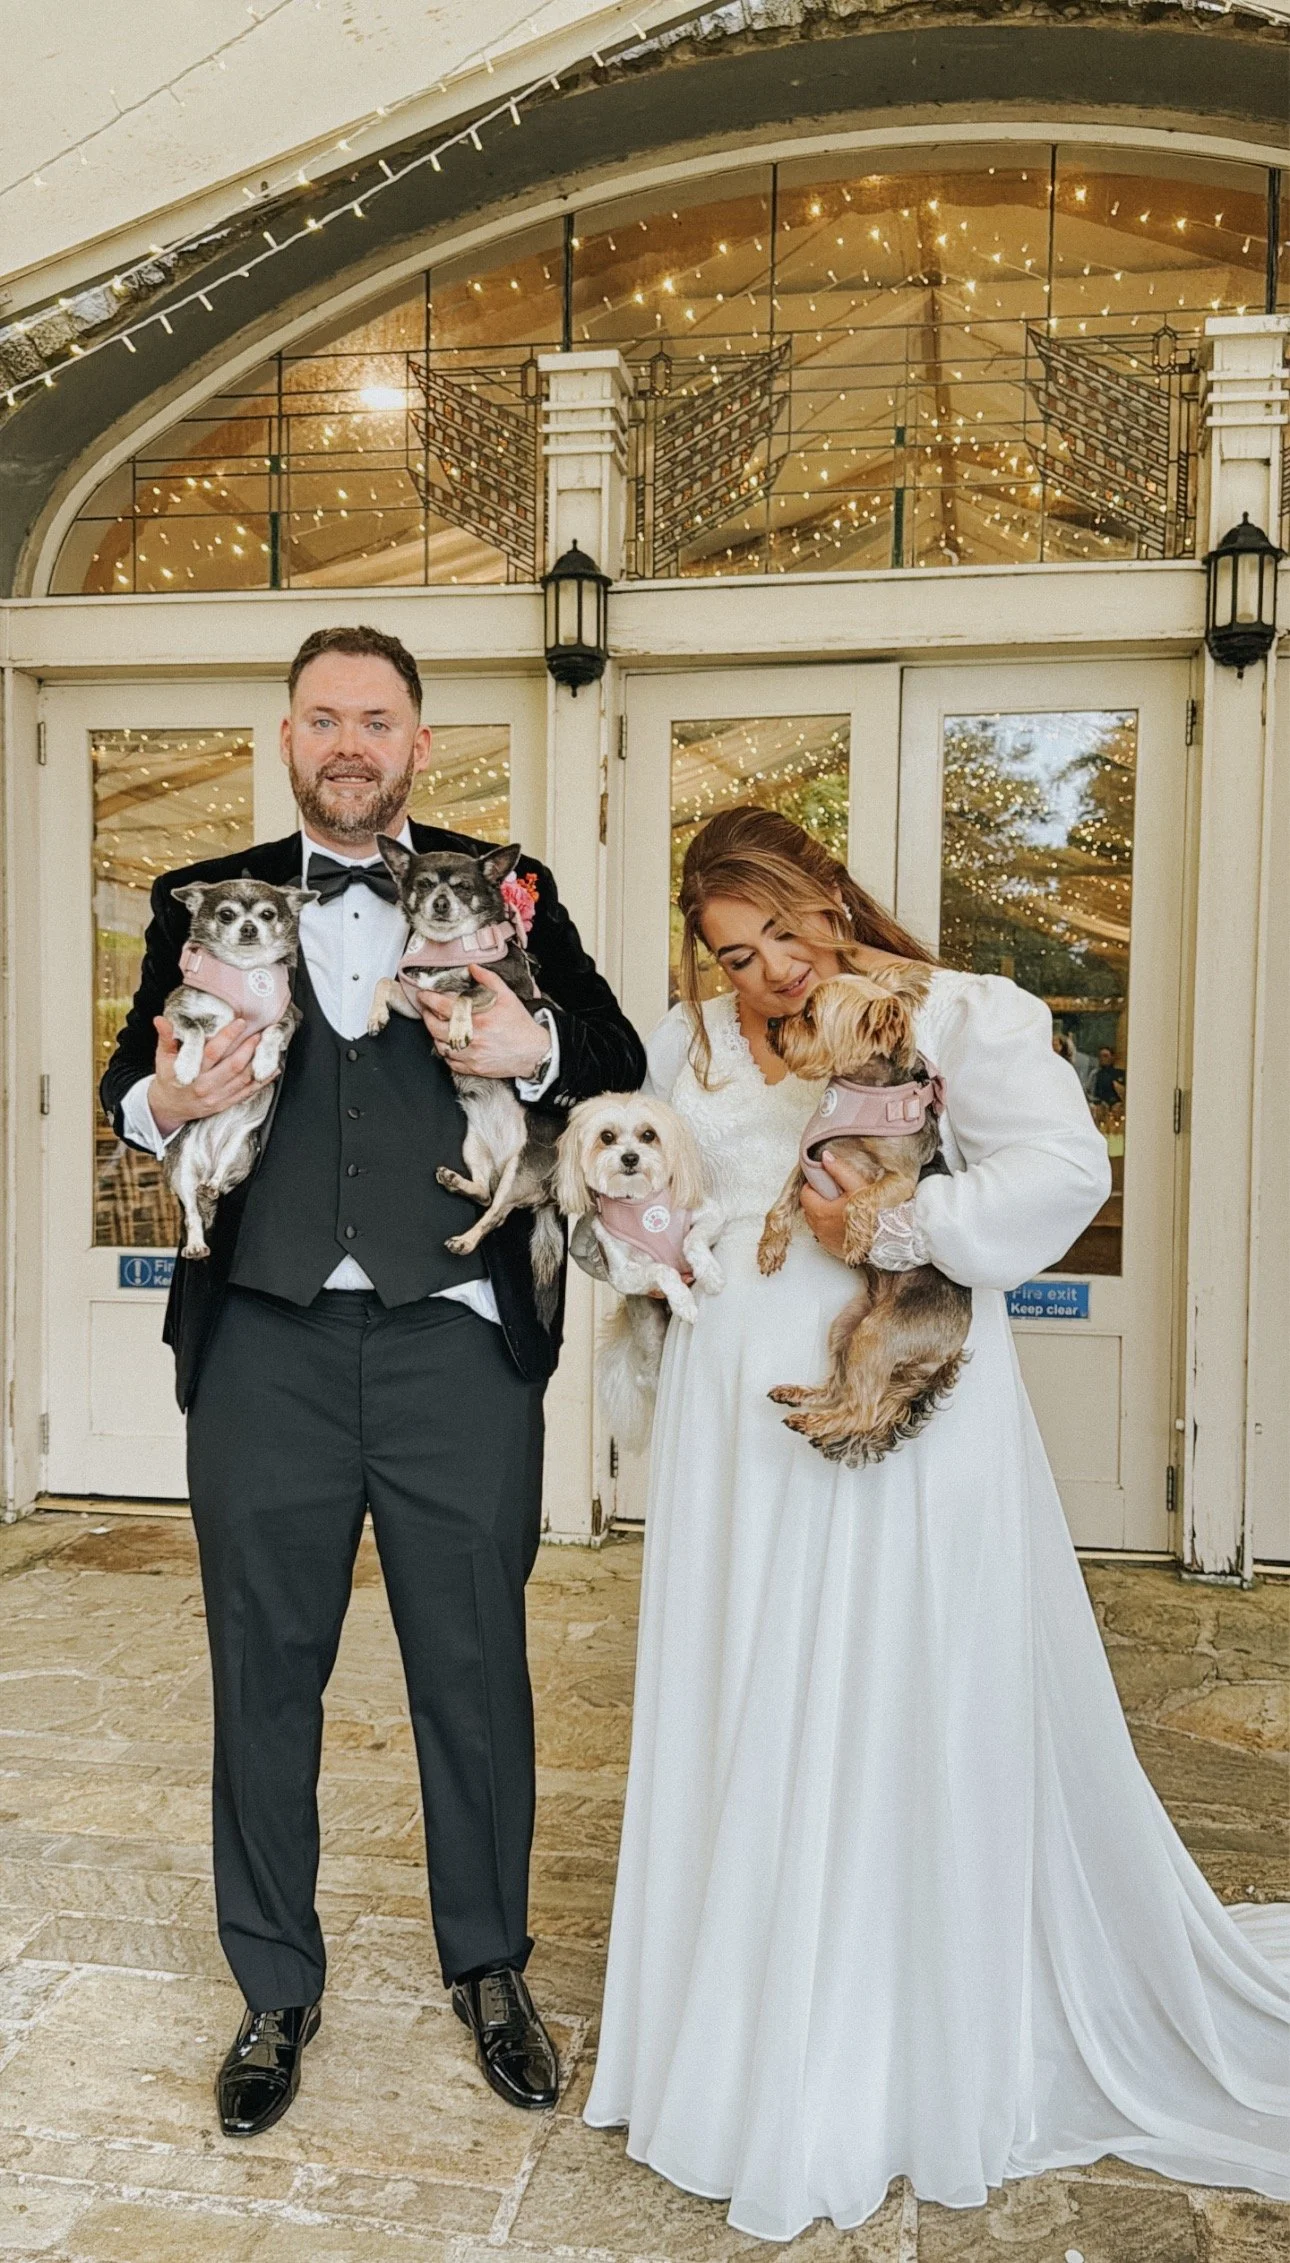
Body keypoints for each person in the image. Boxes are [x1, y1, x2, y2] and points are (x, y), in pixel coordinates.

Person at [584, 804, 1289, 2242]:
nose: (768, 969)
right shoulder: (687, 1042)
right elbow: (637, 1184)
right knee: (749, 1699)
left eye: (785, 929)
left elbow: (1061, 1176)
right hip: (741, 1436)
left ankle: (886, 2045)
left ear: (830, 894)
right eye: (732, 948)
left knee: (896, 1696)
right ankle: (732, 2029)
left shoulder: (966, 1009)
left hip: (909, 1407)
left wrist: (891, 1233)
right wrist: (647, 1250)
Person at [101, 625, 645, 2138]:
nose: (351, 742)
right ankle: (273, 1983)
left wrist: (534, 1041)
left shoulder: (506, 880)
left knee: (471, 1669)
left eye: (379, 719)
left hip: (453, 1342)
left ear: (420, 742)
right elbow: (122, 1085)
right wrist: (164, 1096)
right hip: (263, 1338)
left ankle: (489, 1966)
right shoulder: (197, 896)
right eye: (325, 718)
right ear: (287, 739)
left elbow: (608, 1052)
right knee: (264, 1673)